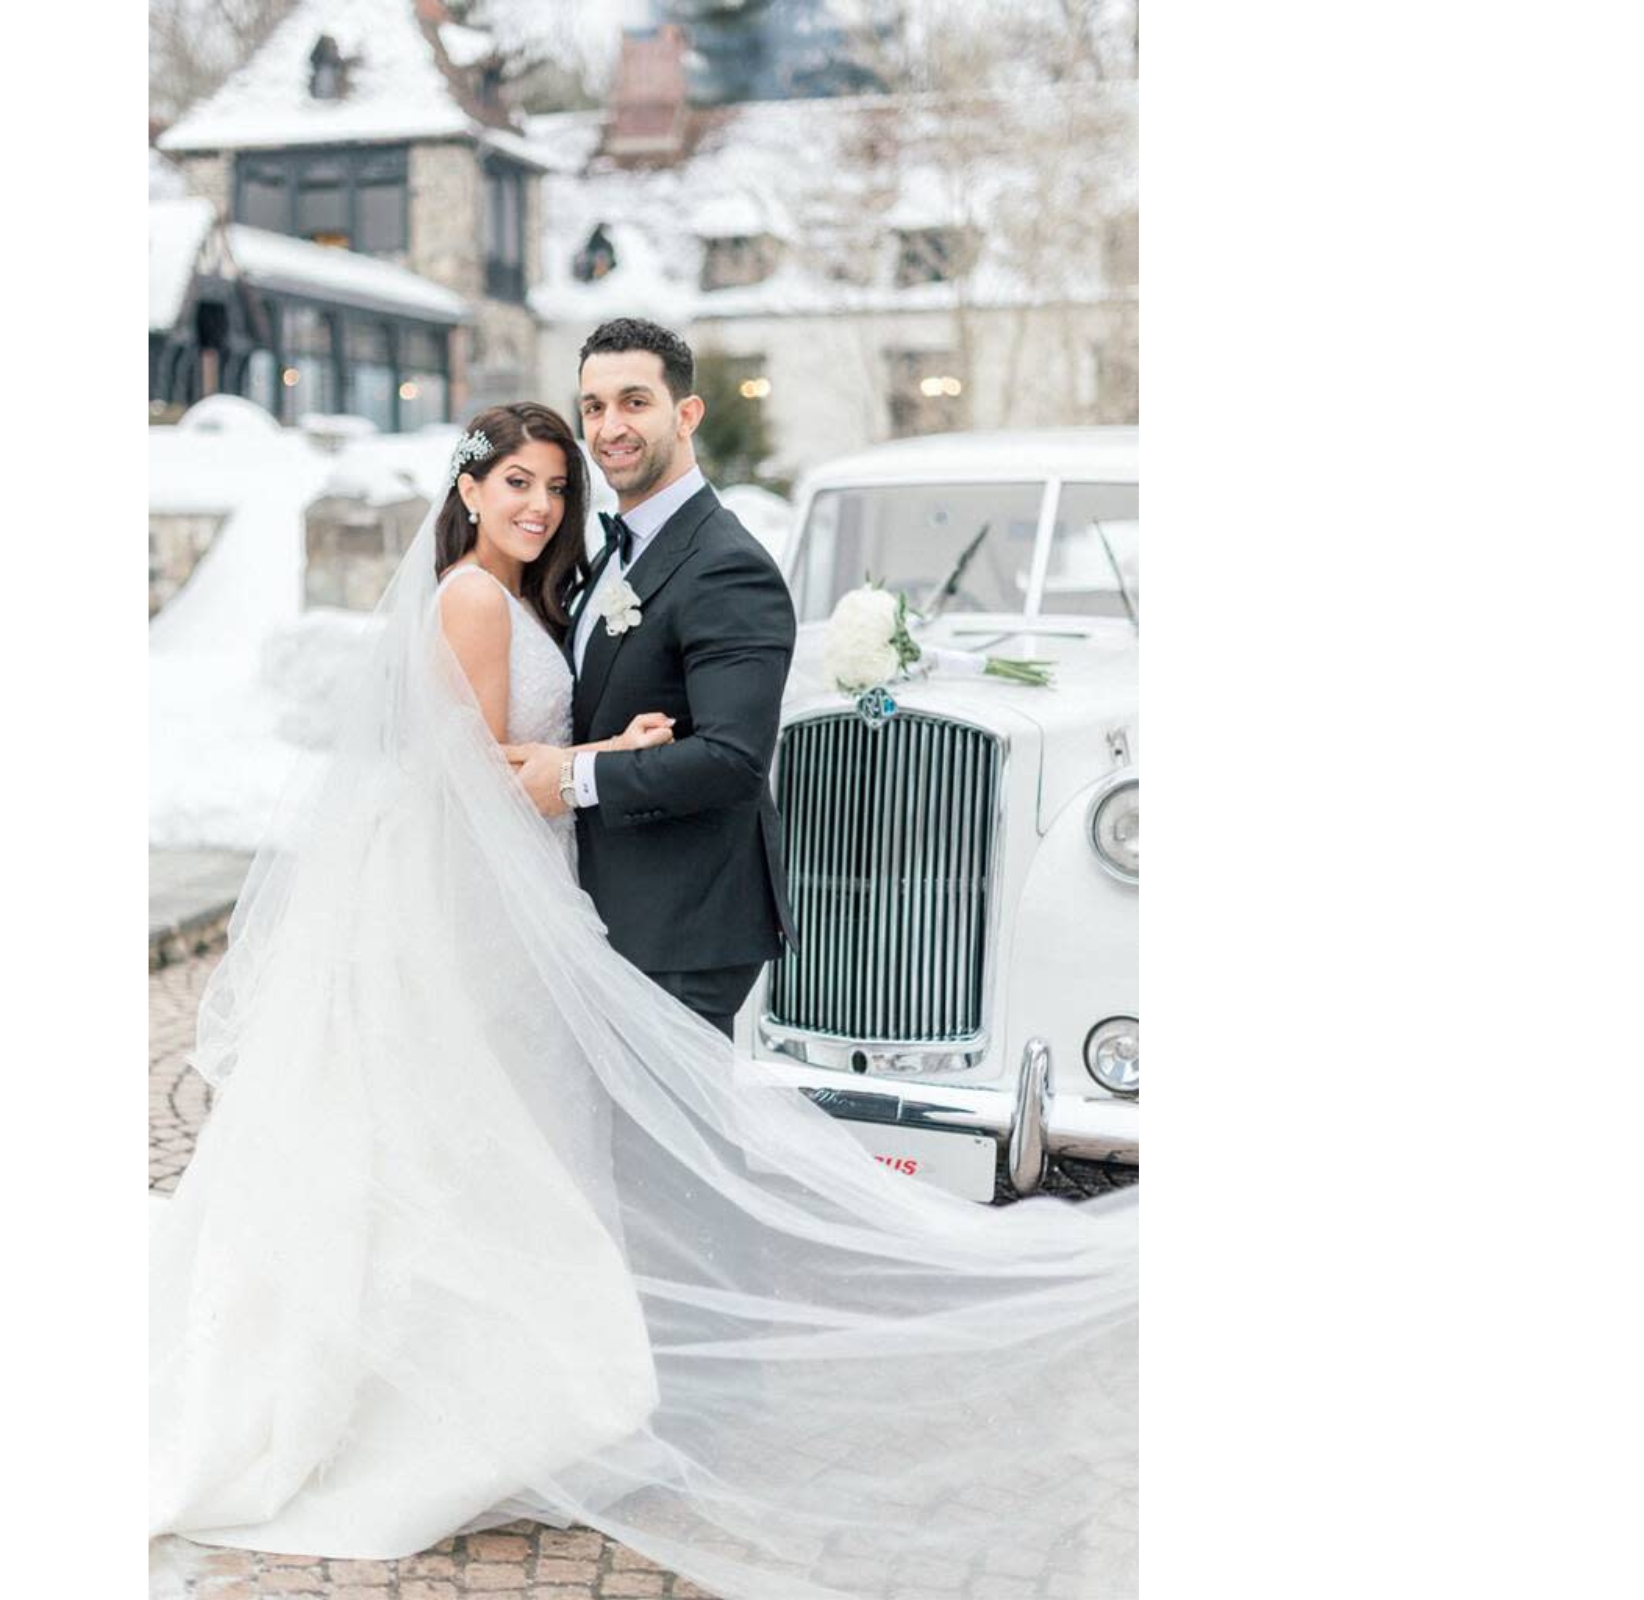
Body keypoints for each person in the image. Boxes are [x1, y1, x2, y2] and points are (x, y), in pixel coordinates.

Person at [150, 377, 1138, 1598]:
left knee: (503, 1141)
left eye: (553, 486)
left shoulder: (531, 593)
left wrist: (580, 763)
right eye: (516, 480)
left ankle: (523, 1386)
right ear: (466, 487)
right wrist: (605, 759)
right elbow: (464, 775)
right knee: (469, 1138)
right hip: (472, 898)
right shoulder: (470, 597)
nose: (540, 500)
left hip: (521, 891)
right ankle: (479, 1396)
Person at [507, 319, 797, 1040]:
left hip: (681, 927)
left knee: (665, 1154)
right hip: (609, 909)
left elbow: (732, 758)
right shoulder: (620, 548)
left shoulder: (726, 564)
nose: (610, 427)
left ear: (686, 414)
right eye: (594, 407)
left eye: (634, 402)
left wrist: (574, 779)